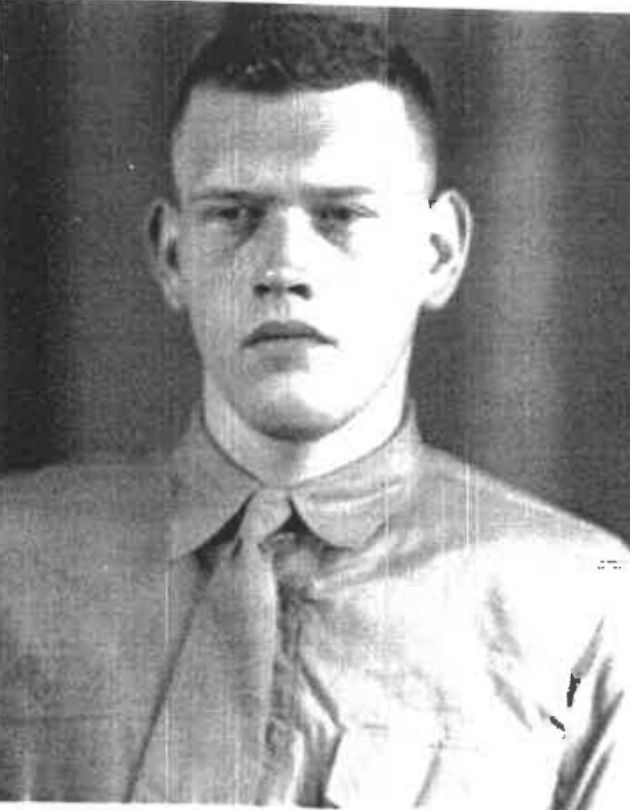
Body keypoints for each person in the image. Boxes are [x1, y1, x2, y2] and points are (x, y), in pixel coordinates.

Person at [0, 7, 628, 806]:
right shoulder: (11, 567)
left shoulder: (580, 604)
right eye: (234, 213)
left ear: (437, 252)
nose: (285, 266)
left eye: (342, 215)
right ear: (170, 255)